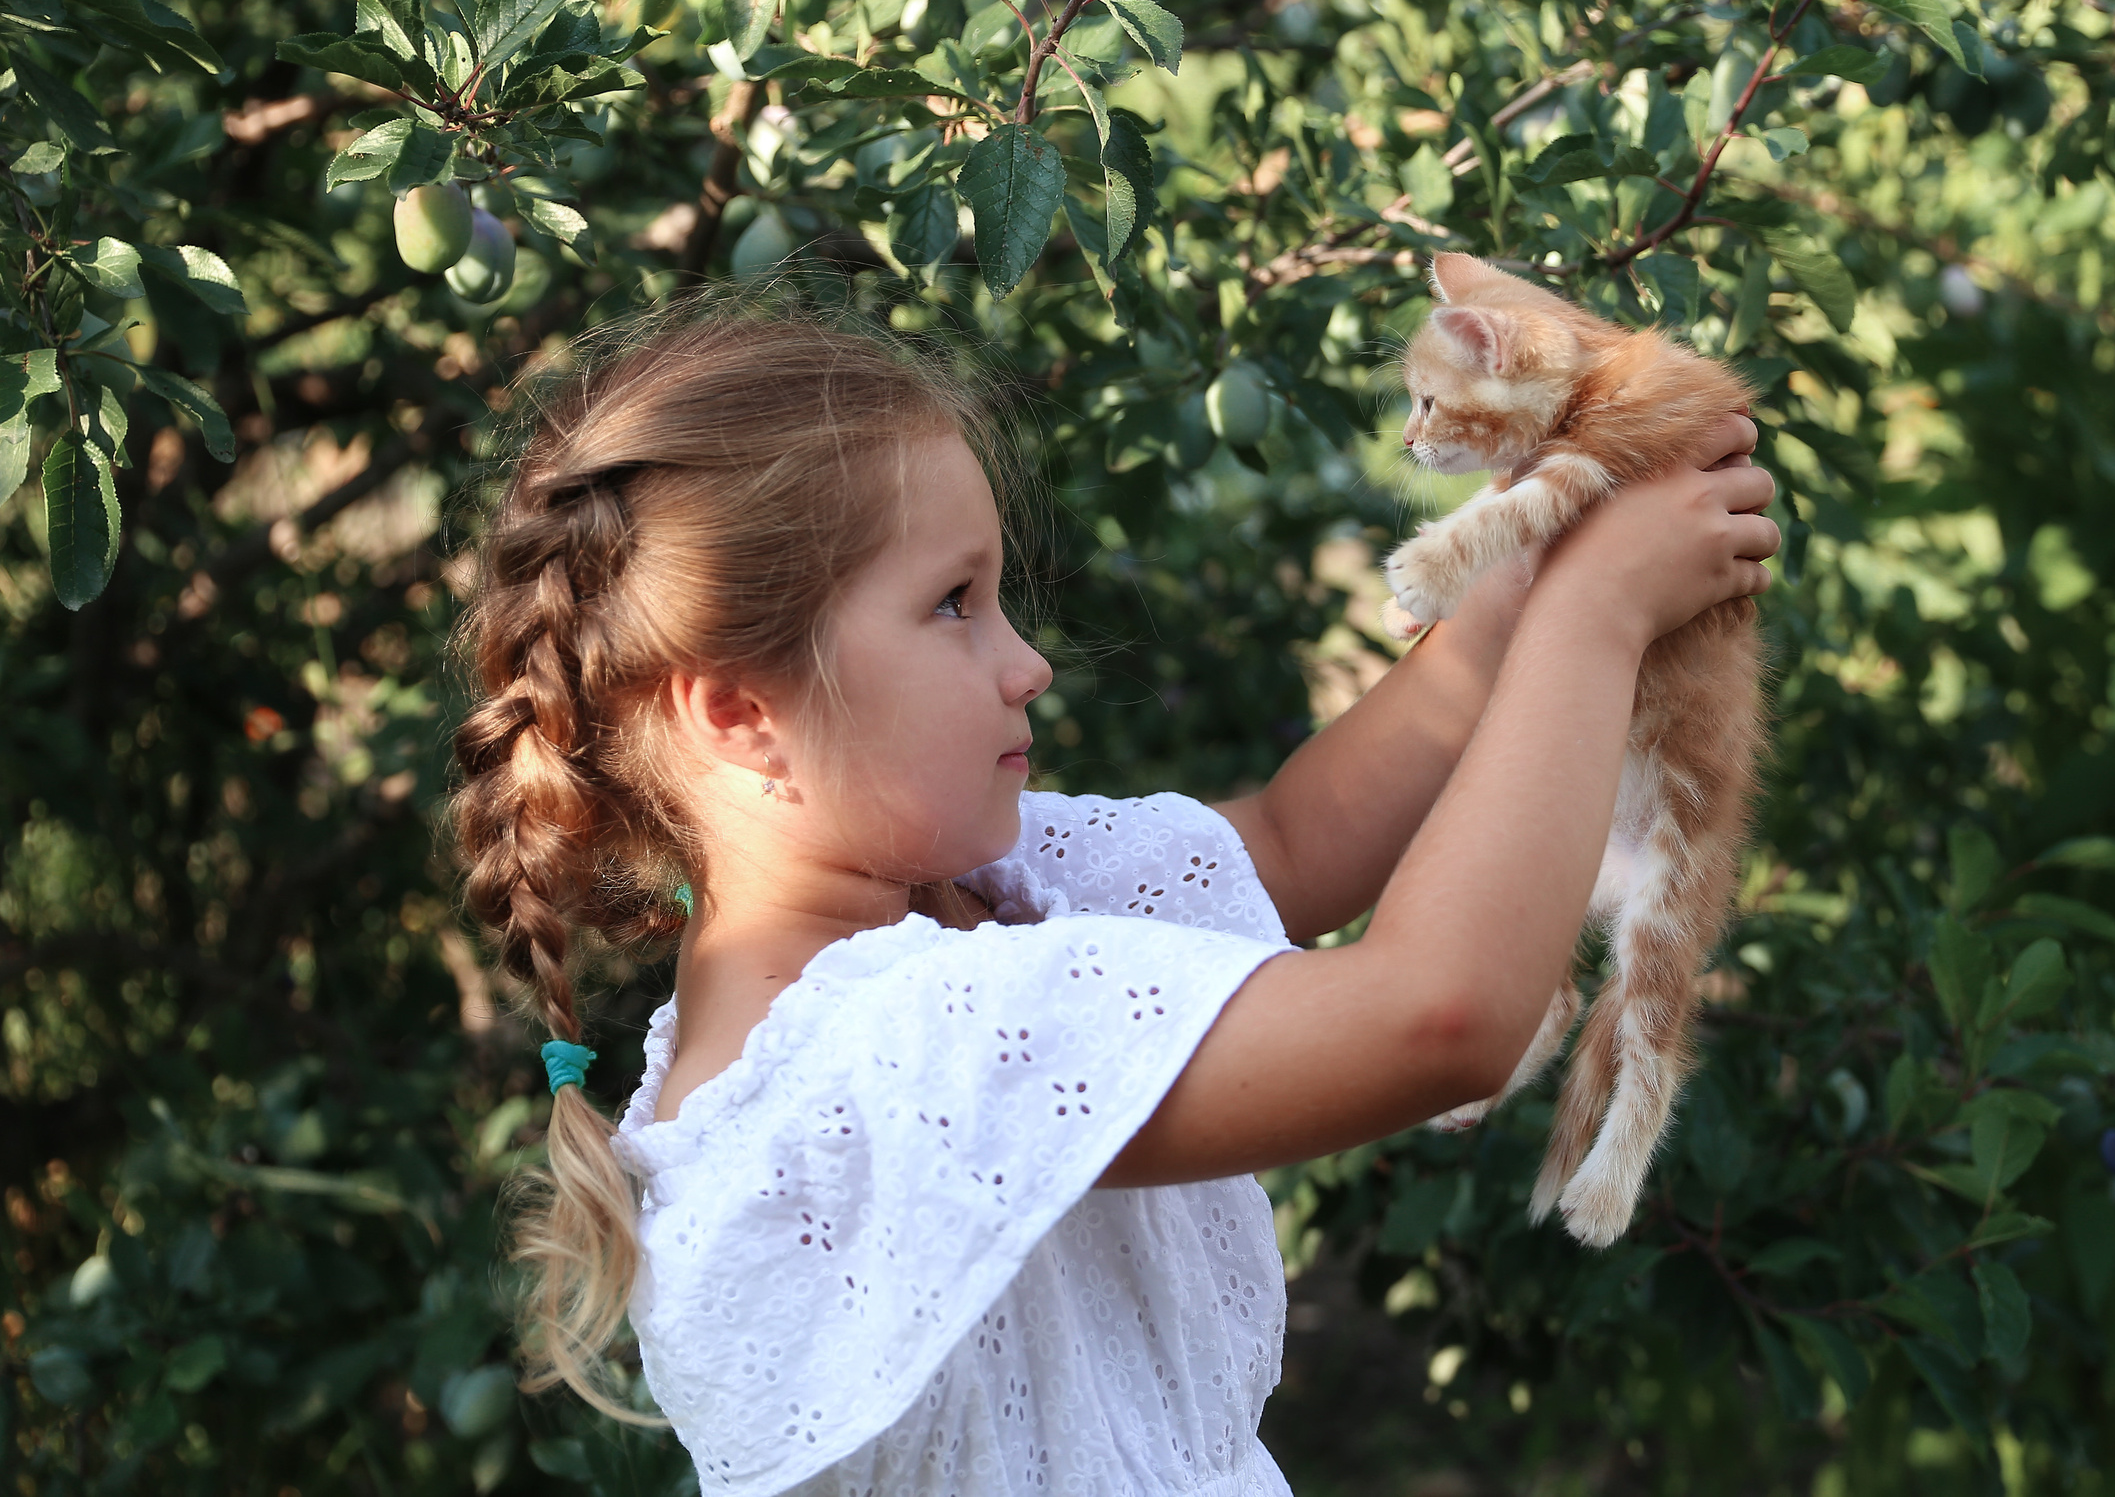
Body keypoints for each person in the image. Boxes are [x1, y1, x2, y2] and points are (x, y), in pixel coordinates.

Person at [448, 305, 1777, 1497]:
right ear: (741, 712)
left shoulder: (974, 904)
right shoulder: (884, 1063)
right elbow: (1441, 1014)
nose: (1024, 662)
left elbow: (1293, 843)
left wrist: (1537, 557)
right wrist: (1593, 621)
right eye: (954, 605)